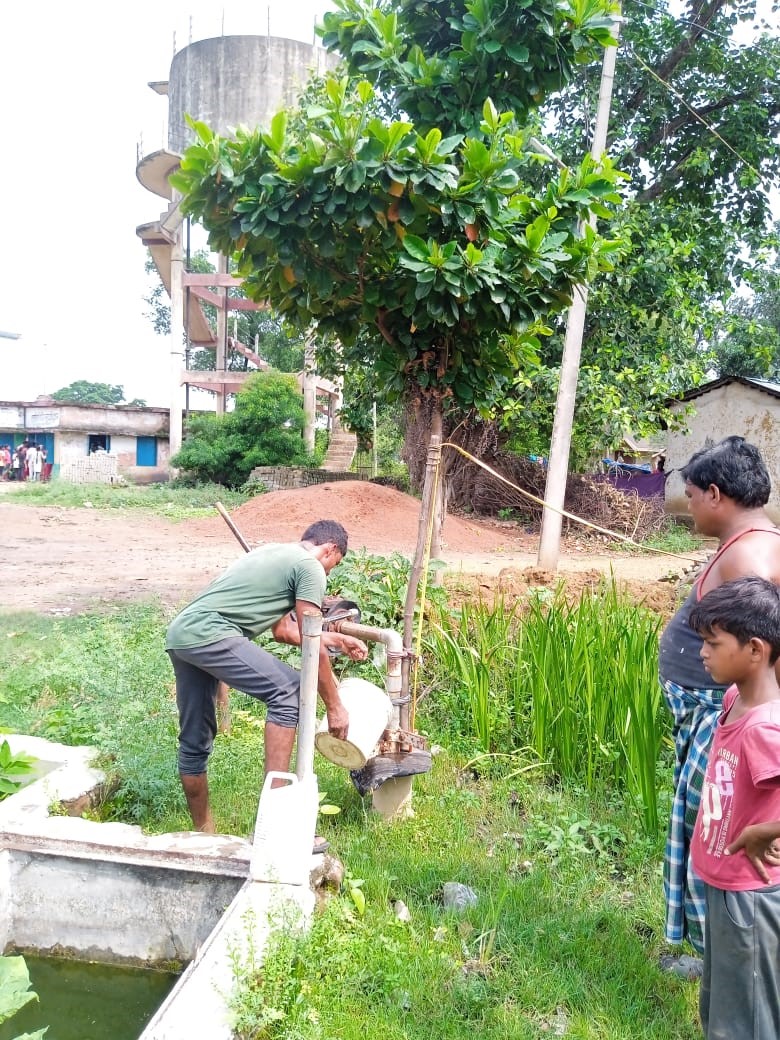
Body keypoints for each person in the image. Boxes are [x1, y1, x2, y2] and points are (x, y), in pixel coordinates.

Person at [165, 519, 368, 841]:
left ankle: (204, 835)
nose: (328, 574)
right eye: (334, 565)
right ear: (330, 549)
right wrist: (335, 707)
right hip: (212, 634)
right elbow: (310, 637)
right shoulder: (310, 567)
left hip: (182, 636)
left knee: (194, 740)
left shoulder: (272, 554)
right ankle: (274, 827)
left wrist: (337, 639)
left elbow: (284, 631)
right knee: (289, 690)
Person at [658, 436, 780, 969]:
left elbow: (764, 646)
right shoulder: (747, 543)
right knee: (708, 823)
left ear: (714, 494)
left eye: (690, 495)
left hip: (723, 715)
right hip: (712, 709)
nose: (687, 507)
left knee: (717, 825)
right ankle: (718, 952)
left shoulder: (749, 557)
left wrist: (747, 713)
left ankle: (725, 952)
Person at [687, 576, 780, 1038]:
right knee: (724, 1002)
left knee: (750, 1016)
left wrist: (767, 830)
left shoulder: (765, 729)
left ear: (755, 650)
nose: (702, 652)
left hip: (750, 892)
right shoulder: (733, 699)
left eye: (713, 643)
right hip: (725, 881)